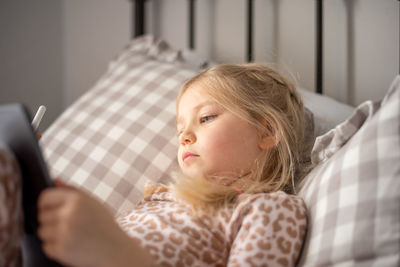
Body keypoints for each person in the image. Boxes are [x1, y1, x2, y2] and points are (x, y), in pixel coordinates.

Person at [37, 63, 309, 267]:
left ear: (267, 132)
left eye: (206, 118)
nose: (185, 137)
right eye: (180, 131)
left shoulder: (269, 209)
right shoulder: (159, 200)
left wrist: (118, 252)